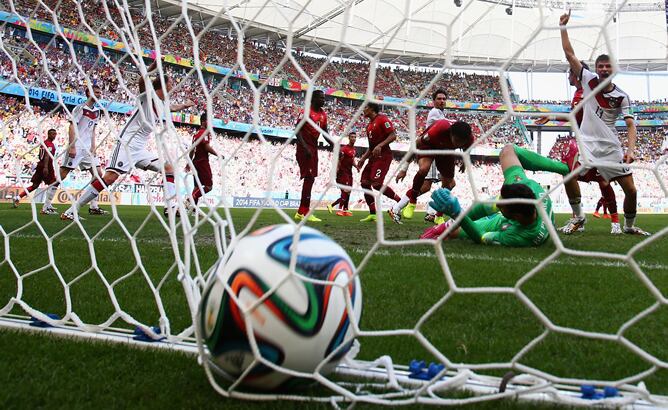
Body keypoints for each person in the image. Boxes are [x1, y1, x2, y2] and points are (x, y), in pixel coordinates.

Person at [61, 60, 194, 220]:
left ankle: (171, 207)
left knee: (169, 168)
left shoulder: (161, 103)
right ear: (163, 85)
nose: (173, 86)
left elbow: (172, 108)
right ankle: (71, 211)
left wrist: (185, 105)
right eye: (171, 83)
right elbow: (141, 80)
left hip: (140, 148)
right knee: (109, 178)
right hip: (127, 144)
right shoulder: (148, 96)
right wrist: (154, 66)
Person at [559, 10, 649, 235]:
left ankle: (628, 226)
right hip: (588, 145)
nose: (604, 69)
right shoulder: (587, 81)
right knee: (567, 173)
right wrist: (563, 28)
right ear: (596, 69)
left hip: (610, 149)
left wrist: (630, 150)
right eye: (601, 66)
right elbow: (570, 55)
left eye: (608, 66)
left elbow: (630, 125)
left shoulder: (622, 96)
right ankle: (579, 217)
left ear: (614, 70)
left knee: (632, 191)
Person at [539, 62, 621, 234]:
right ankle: (580, 218)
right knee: (571, 174)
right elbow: (575, 116)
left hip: (598, 145)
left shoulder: (588, 92)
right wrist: (552, 116)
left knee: (603, 181)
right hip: (586, 143)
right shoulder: (579, 93)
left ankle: (615, 222)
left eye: (570, 73)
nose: (568, 76)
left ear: (576, 75)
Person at [420, 144, 553, 247]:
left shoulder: (518, 236)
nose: (498, 204)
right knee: (507, 151)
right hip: (514, 214)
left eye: (501, 207)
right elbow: (485, 207)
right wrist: (447, 224)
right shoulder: (532, 187)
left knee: (453, 233)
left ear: (516, 217)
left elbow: (481, 237)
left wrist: (457, 214)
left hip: (502, 224)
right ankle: (565, 168)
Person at [389, 119, 473, 224]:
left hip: (445, 150)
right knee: (424, 171)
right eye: (456, 140)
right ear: (450, 133)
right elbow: (416, 144)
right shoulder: (438, 130)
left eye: (462, 142)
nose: (458, 144)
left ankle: (436, 214)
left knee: (449, 184)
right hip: (429, 145)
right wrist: (404, 168)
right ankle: (411, 203)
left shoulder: (469, 139)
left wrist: (465, 162)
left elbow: (467, 150)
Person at [42, 84, 108, 216]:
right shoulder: (80, 108)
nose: (99, 94)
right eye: (97, 92)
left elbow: (93, 130)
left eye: (100, 92)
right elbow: (72, 127)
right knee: (62, 175)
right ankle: (46, 206)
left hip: (88, 149)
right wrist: (72, 146)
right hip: (77, 146)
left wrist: (94, 146)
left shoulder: (97, 111)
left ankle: (94, 206)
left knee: (98, 176)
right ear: (88, 93)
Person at [356, 102, 401, 222]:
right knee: (365, 183)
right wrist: (362, 159)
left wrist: (380, 145)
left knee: (376, 184)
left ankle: (400, 202)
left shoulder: (382, 119)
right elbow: (371, 148)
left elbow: (393, 135)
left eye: (365, 107)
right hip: (373, 158)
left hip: (384, 156)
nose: (363, 110)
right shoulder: (369, 126)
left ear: (371, 109)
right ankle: (373, 214)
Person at [294, 89, 328, 222]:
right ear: (314, 99)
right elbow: (297, 130)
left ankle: (301, 211)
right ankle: (304, 212)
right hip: (305, 148)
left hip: (313, 148)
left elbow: (325, 133)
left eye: (324, 98)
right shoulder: (305, 112)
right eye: (321, 98)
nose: (323, 100)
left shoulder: (323, 114)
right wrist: (305, 147)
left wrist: (335, 145)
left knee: (311, 178)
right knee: (309, 178)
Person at [13, 129, 57, 211]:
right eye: (53, 134)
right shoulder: (49, 144)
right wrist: (46, 167)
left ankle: (18, 197)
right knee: (54, 183)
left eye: (55, 134)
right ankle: (48, 205)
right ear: (49, 134)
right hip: (46, 166)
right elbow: (47, 155)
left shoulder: (44, 143)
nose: (54, 136)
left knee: (35, 185)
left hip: (40, 165)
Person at [186, 112, 219, 213]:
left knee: (197, 186)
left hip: (195, 162)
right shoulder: (205, 132)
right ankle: (189, 200)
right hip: (202, 162)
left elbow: (192, 149)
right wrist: (217, 154)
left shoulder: (196, 134)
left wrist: (189, 162)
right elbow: (206, 147)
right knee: (209, 186)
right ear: (204, 121)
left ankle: (193, 209)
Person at [328, 131, 356, 217]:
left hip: (349, 172)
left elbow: (352, 160)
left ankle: (345, 209)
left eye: (355, 137)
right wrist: (335, 171)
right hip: (343, 172)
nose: (353, 138)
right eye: (352, 137)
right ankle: (340, 209)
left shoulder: (354, 150)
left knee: (349, 191)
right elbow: (338, 160)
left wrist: (357, 167)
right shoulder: (344, 149)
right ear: (349, 138)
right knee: (346, 190)